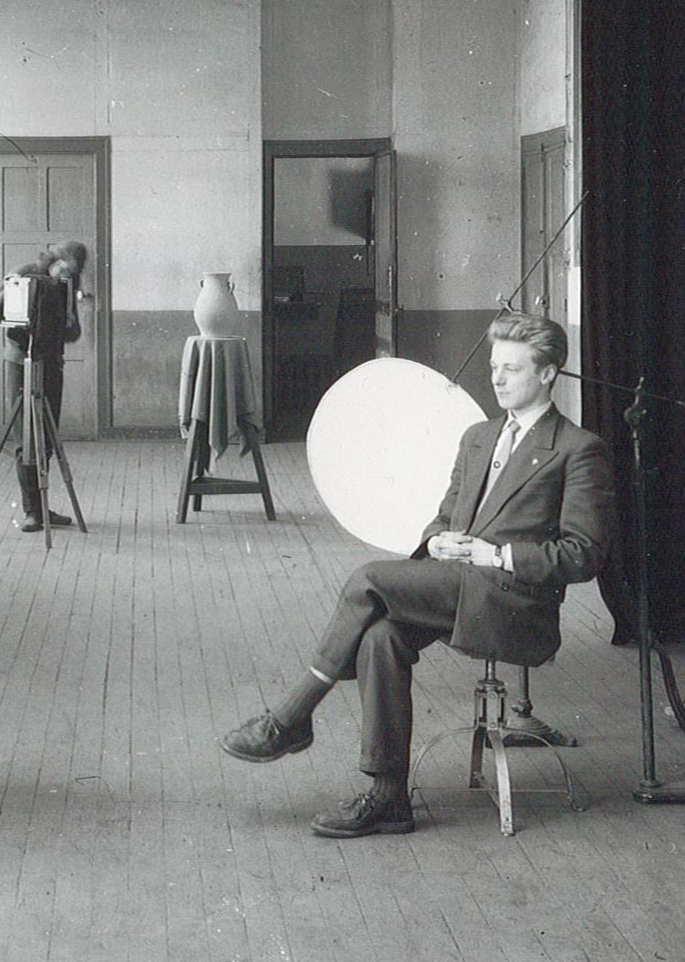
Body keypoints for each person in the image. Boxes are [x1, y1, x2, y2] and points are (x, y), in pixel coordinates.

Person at [219, 312, 614, 837]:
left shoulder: (577, 449)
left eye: (511, 369)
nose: (496, 379)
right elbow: (445, 515)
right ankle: (388, 797)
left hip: (514, 603)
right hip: (455, 586)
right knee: (379, 638)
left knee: (369, 579)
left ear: (547, 375)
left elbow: (582, 554)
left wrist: (493, 557)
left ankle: (291, 719)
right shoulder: (478, 436)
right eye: (494, 367)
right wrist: (436, 540)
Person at [0, 240, 87, 533]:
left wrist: (62, 314)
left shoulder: (68, 283)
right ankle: (30, 511)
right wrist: (16, 295)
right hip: (20, 363)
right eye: (65, 266)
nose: (67, 272)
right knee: (26, 436)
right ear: (55, 258)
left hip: (52, 362)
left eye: (73, 270)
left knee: (48, 437)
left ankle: (41, 508)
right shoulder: (22, 273)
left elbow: (73, 332)